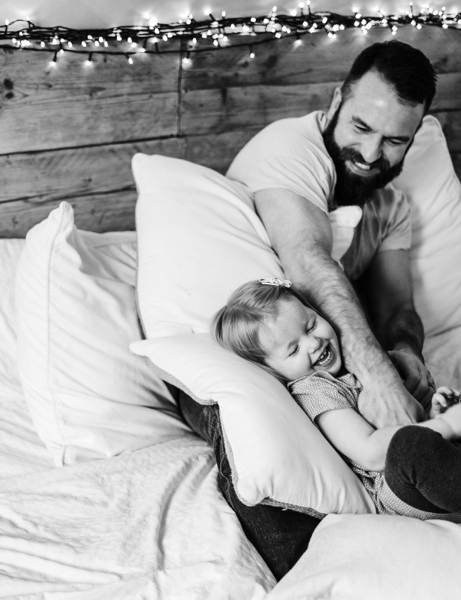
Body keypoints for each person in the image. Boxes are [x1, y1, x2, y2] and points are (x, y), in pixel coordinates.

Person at [173, 40, 442, 576]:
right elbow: (308, 261)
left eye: (394, 140)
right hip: (235, 351)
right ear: (336, 100)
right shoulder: (291, 149)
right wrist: (379, 378)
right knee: (261, 442)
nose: (371, 154)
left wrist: (404, 353)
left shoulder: (389, 205)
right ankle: (310, 578)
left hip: (318, 367)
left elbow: (398, 307)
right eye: (361, 127)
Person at [211, 278, 461, 554]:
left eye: (310, 324)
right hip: (406, 494)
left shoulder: (356, 357)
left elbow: (410, 413)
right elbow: (371, 451)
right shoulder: (314, 389)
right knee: (411, 447)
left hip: (456, 469)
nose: (313, 342)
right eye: (293, 349)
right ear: (273, 371)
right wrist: (443, 427)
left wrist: (437, 413)